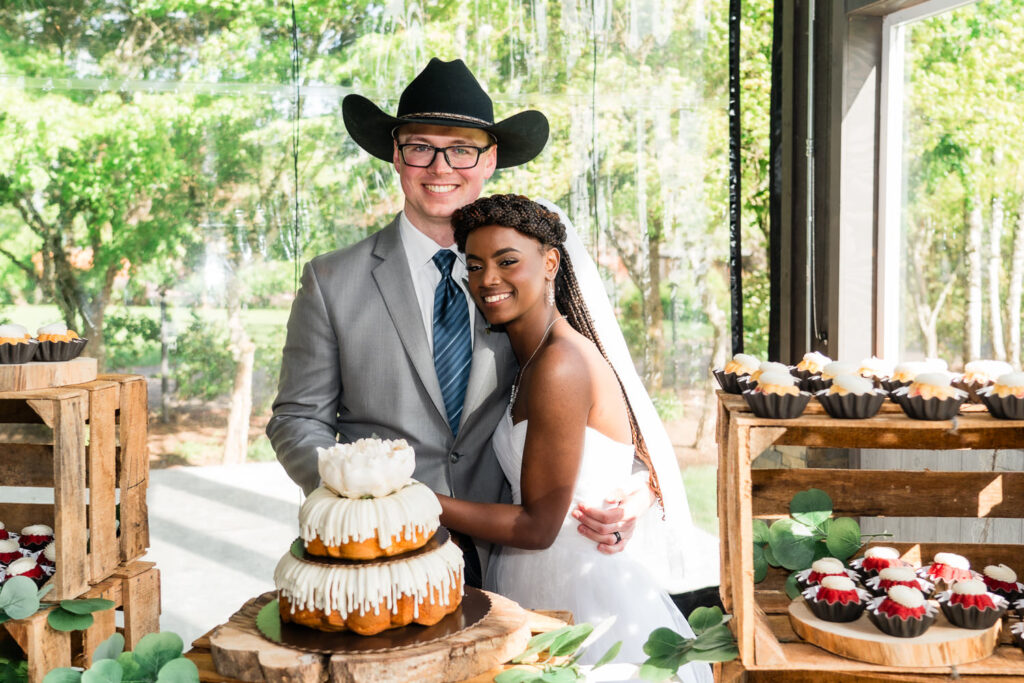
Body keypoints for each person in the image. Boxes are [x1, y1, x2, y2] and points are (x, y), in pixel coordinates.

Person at [266, 58, 656, 588]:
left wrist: (630, 488)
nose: (441, 167)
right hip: (383, 557)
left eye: (462, 149)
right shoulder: (331, 281)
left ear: (489, 160)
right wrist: (364, 497)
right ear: (397, 156)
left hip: (513, 556)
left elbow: (592, 395)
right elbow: (296, 419)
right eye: (420, 147)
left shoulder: (529, 277)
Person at [438, 194, 711, 678]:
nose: (488, 280)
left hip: (581, 594)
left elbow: (538, 526)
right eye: (475, 266)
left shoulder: (560, 363)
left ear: (550, 262)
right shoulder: (535, 356)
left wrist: (408, 499)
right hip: (536, 580)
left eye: (507, 262)